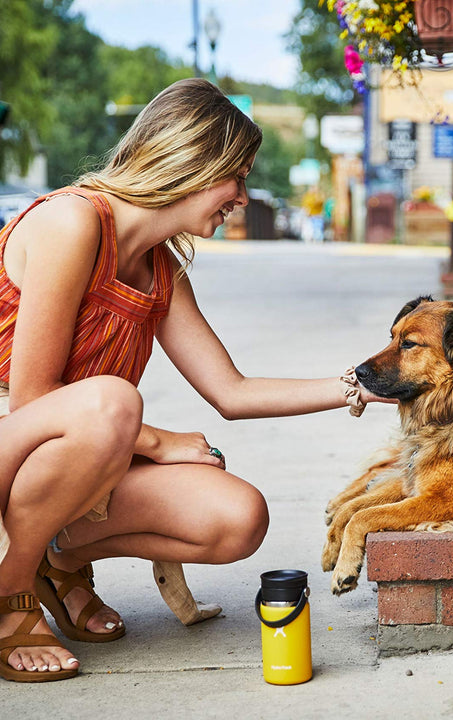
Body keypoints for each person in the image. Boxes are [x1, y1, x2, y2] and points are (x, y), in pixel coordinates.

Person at [0, 78, 385, 683]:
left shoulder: (161, 270)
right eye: (238, 176)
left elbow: (231, 391)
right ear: (194, 162)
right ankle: (11, 587)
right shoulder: (71, 222)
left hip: (80, 453)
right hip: (12, 442)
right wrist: (155, 441)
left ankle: (60, 554)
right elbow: (31, 401)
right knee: (112, 400)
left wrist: (362, 384)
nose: (242, 196)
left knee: (237, 517)